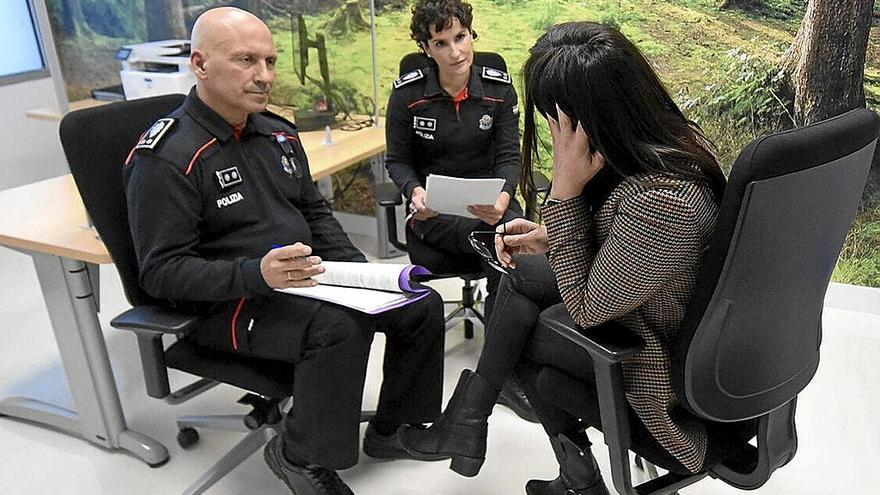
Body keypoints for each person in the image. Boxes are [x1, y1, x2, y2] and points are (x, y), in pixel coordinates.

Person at [399, 21, 734, 495]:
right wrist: (550, 236)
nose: (552, 134)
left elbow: (588, 308)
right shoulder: (665, 150)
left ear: (588, 119)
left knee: (519, 331)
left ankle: (488, 431)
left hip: (667, 385)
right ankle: (484, 428)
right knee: (517, 282)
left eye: (556, 122)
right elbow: (628, 248)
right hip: (654, 314)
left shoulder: (665, 198)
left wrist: (564, 190)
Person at [123, 7, 446, 494]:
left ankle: (392, 429)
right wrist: (258, 274)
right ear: (200, 63)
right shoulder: (165, 157)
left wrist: (364, 278)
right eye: (246, 60)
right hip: (228, 302)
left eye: (270, 61)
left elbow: (314, 213)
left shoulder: (277, 132)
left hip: (295, 279)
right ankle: (301, 456)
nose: (264, 76)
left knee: (418, 303)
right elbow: (161, 273)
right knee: (339, 328)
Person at [384, 0, 537, 423]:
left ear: (471, 34)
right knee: (499, 245)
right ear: (426, 47)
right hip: (436, 215)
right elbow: (396, 160)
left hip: (492, 206)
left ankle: (505, 364)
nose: (456, 52)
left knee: (513, 241)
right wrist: (413, 192)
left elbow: (509, 157)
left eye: (461, 37)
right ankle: (502, 372)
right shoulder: (408, 95)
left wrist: (505, 196)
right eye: (441, 42)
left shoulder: (498, 88)